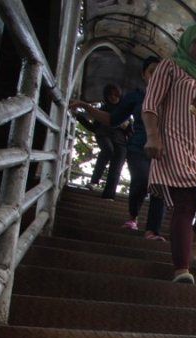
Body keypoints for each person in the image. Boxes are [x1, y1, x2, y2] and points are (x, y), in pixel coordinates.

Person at [143, 24, 196, 283]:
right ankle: (181, 270)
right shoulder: (170, 66)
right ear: (187, 43)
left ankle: (195, 237)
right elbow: (150, 104)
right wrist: (153, 136)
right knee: (185, 205)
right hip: (174, 143)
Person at [71, 57, 166, 240]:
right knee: (141, 179)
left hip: (164, 152)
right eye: (152, 72)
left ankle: (152, 231)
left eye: (161, 72)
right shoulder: (136, 97)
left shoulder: (171, 98)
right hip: (138, 147)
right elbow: (112, 119)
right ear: (144, 75)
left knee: (159, 186)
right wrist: (86, 106)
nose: (157, 76)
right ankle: (133, 216)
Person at [73, 84, 128, 198]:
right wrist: (78, 116)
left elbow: (130, 130)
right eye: (110, 95)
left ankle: (108, 196)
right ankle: (94, 181)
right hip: (104, 135)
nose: (113, 97)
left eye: (116, 94)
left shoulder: (125, 110)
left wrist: (126, 126)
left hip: (121, 142)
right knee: (108, 150)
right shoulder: (102, 109)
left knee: (116, 168)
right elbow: (93, 127)